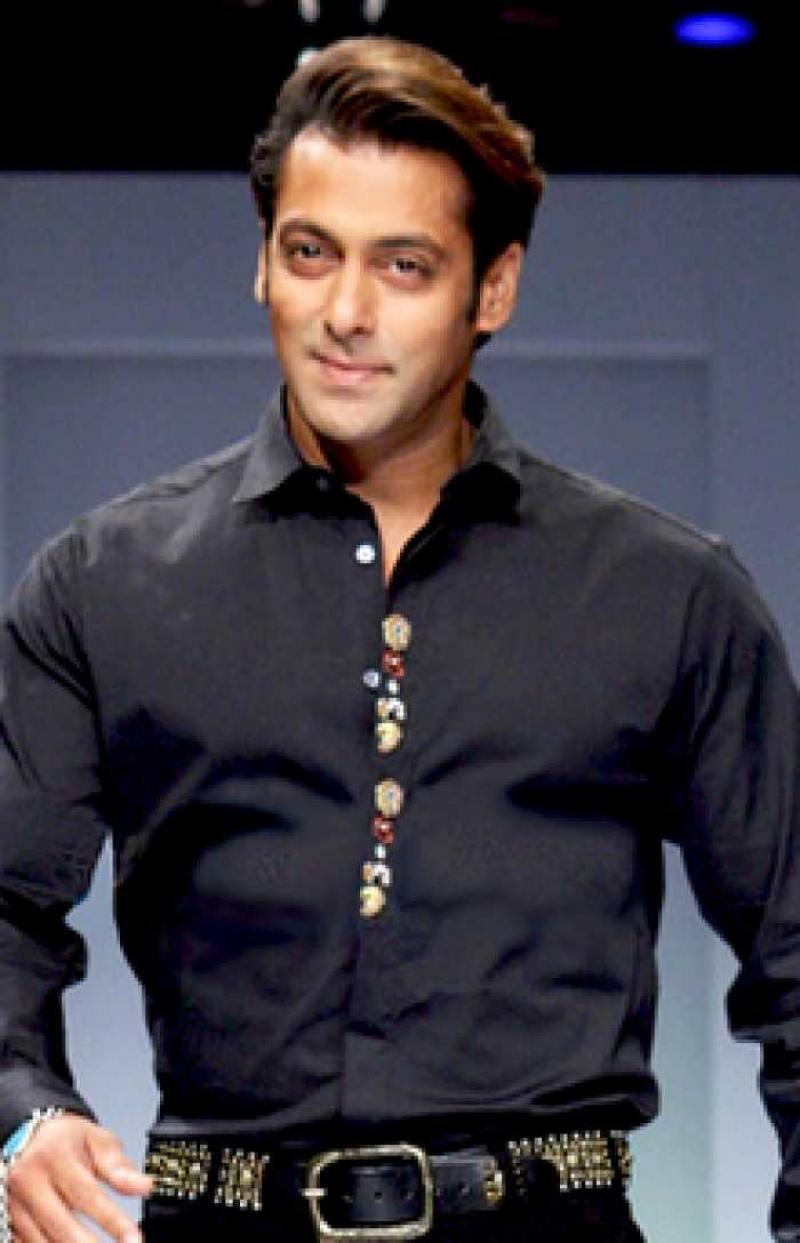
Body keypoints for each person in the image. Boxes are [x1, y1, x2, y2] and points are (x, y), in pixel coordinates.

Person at [0, 34, 798, 1243]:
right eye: (309, 252)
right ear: (261, 265)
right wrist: (23, 1111)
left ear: (494, 289)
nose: (345, 312)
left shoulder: (666, 594)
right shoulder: (102, 585)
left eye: (404, 266)